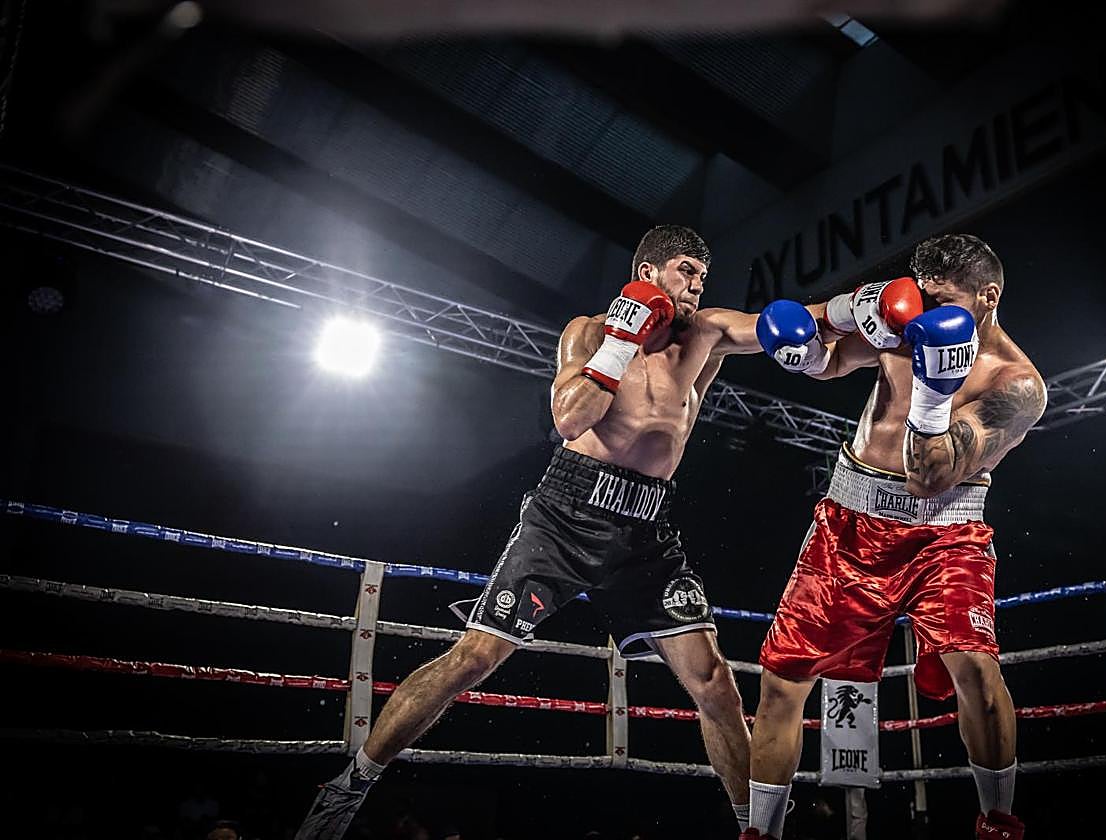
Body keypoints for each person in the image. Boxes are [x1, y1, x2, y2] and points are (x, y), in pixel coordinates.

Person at [296, 225, 826, 839]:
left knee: (716, 684)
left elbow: (777, 323)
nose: (697, 284)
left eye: (703, 275)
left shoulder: (702, 333)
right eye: (686, 270)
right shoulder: (591, 331)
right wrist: (621, 342)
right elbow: (570, 418)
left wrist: (855, 309)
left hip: (646, 530)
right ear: (650, 271)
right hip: (567, 514)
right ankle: (350, 785)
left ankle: (755, 830)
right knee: (475, 658)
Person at [742, 234, 1046, 840]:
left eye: (946, 301)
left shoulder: (1017, 386)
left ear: (988, 298)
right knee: (781, 684)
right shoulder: (903, 321)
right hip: (850, 524)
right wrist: (804, 349)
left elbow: (931, 475)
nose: (927, 313)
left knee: (978, 679)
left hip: (946, 535)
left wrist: (934, 392)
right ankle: (759, 832)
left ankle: (998, 820)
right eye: (924, 298)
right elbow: (829, 359)